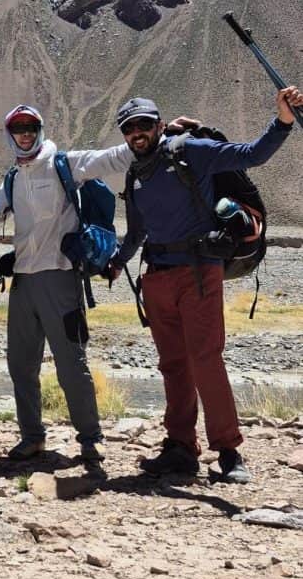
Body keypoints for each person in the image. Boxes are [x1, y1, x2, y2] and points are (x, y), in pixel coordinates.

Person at [110, 87, 303, 483]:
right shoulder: (136, 173)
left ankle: (229, 451)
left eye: (144, 125)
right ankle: (180, 446)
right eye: (129, 128)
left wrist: (283, 120)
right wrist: (115, 263)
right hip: (157, 276)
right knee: (172, 365)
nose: (137, 133)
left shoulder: (190, 151)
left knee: (205, 360)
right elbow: (136, 232)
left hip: (198, 272)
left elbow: (253, 154)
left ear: (159, 125)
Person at [0, 105, 133, 468]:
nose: (25, 134)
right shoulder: (13, 178)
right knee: (20, 364)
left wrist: (151, 140)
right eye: (17, 128)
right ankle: (32, 437)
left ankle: (90, 438)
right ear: (9, 133)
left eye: (31, 127)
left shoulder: (64, 163)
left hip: (61, 277)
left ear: (40, 129)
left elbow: (110, 159)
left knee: (71, 363)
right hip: (23, 281)